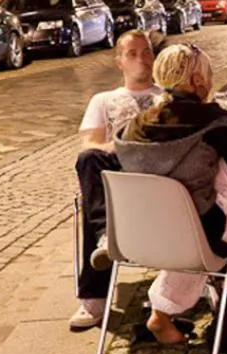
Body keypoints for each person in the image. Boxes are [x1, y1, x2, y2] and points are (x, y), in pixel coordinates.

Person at [96, 44, 227, 341]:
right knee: (207, 209)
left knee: (186, 218)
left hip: (137, 236)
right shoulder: (218, 125)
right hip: (199, 236)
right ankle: (198, 294)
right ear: (198, 81)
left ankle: (162, 314)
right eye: (209, 75)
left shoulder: (131, 129)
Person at [69, 31, 161, 331]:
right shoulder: (103, 100)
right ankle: (97, 280)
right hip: (118, 186)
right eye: (132, 54)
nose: (141, 59)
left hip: (160, 180)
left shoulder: (167, 97)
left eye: (146, 52)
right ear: (119, 61)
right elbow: (90, 145)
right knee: (89, 164)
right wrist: (122, 147)